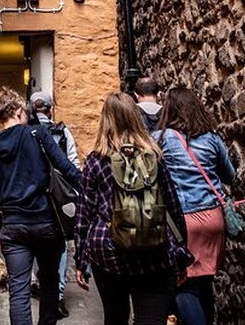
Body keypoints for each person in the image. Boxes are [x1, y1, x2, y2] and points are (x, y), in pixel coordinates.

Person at [73, 92, 193, 325]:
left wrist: (81, 259)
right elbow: (172, 206)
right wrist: (181, 252)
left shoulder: (96, 161)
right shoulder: (154, 157)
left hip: (109, 252)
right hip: (154, 251)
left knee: (115, 317)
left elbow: (83, 214)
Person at [0, 87, 82, 325]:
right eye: (24, 111)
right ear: (17, 111)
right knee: (49, 282)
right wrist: (91, 187)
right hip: (46, 221)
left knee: (19, 290)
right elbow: (66, 168)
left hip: (13, 227)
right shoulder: (37, 135)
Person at [155, 87, 237, 325]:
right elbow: (230, 175)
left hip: (182, 222)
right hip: (213, 219)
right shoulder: (212, 138)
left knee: (184, 284)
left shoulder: (160, 139)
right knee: (205, 281)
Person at [28, 90, 79, 318]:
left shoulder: (26, 132)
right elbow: (72, 162)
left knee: (34, 240)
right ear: (50, 109)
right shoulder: (62, 131)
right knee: (60, 243)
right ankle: (57, 294)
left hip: (33, 195)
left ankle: (37, 281)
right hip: (58, 196)